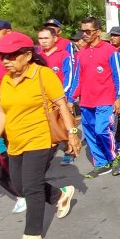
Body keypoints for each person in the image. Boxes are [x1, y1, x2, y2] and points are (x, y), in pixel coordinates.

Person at [0, 32, 81, 239]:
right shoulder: (7, 80)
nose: (6, 61)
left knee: (32, 186)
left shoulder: (43, 74)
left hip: (40, 139)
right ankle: (59, 195)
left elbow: (62, 105)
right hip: (15, 141)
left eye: (11, 56)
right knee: (19, 186)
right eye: (2, 56)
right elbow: (4, 114)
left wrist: (73, 134)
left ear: (27, 55)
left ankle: (32, 235)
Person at [70, 17, 120, 178]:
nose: (84, 34)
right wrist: (70, 98)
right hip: (86, 102)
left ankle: (114, 157)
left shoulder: (110, 50)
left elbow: (118, 76)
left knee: (102, 130)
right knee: (91, 134)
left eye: (88, 31)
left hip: (106, 100)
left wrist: (119, 97)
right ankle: (101, 163)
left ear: (98, 32)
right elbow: (76, 78)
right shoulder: (81, 53)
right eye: (82, 31)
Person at [38, 27, 77, 166]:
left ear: (55, 39)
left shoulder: (64, 55)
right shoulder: (37, 56)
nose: (43, 42)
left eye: (46, 38)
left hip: (60, 98)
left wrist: (64, 95)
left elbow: (69, 76)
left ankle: (69, 150)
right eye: (40, 39)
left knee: (62, 125)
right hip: (41, 99)